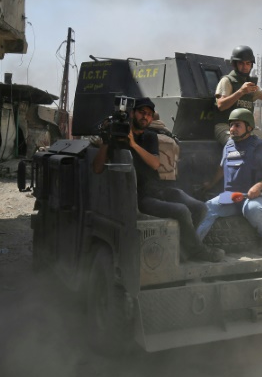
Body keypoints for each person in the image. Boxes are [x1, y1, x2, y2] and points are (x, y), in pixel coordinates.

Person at [93, 97, 224, 262]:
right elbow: (97, 168)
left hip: (159, 190)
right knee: (182, 210)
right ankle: (197, 251)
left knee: (200, 207)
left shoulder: (150, 137)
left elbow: (155, 163)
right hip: (140, 197)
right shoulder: (117, 137)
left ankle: (183, 250)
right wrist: (106, 141)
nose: (145, 117)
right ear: (132, 113)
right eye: (142, 112)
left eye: (149, 114)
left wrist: (133, 145)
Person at [197, 109, 262, 255]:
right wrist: (210, 184)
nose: (233, 129)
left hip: (254, 197)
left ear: (249, 128)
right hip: (232, 197)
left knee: (253, 210)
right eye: (231, 125)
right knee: (208, 208)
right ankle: (195, 246)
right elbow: (222, 169)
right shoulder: (228, 146)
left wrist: (258, 186)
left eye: (237, 125)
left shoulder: (259, 147)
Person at [213, 46, 262, 197]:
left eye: (248, 64)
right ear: (235, 64)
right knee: (239, 145)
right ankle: (237, 188)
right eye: (241, 63)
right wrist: (240, 92)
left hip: (247, 128)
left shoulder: (250, 84)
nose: (245, 67)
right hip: (225, 126)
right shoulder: (227, 81)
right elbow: (221, 105)